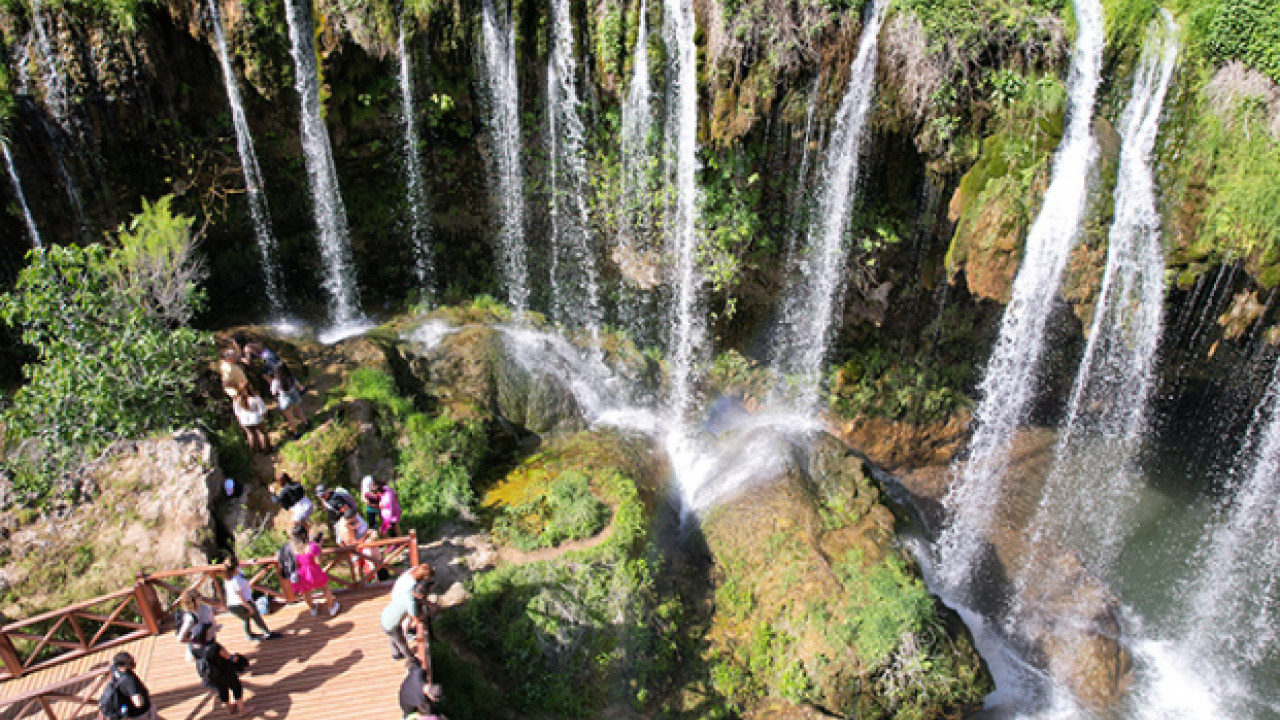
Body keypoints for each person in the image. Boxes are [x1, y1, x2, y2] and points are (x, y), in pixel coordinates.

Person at [189, 625, 250, 716]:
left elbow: (194, 658)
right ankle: (242, 711)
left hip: (212, 674)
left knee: (222, 689)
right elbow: (229, 657)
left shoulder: (193, 647)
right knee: (236, 687)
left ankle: (229, 708)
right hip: (225, 671)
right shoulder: (214, 647)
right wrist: (238, 658)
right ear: (205, 634)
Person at [381, 564, 434, 663]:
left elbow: (417, 599)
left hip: (386, 617)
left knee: (393, 636)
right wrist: (430, 611)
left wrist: (429, 604)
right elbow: (416, 620)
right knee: (402, 643)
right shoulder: (411, 601)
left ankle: (396, 654)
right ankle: (413, 661)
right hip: (391, 624)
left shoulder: (412, 576)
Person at [221, 558, 277, 641]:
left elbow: (241, 565)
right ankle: (267, 633)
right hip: (240, 604)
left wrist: (249, 562)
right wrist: (248, 606)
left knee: (245, 619)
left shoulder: (230, 574)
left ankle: (250, 635)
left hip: (232, 604)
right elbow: (239, 596)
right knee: (255, 616)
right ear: (235, 566)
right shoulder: (235, 580)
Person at [289, 524, 339, 616]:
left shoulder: (292, 549)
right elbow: (318, 561)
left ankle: (313, 608)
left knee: (305, 592)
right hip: (313, 571)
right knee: (325, 587)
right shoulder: (311, 546)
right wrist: (319, 547)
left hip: (301, 574)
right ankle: (332, 607)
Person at [104, 652, 155, 720]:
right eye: (130, 662)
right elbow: (138, 703)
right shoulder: (129, 680)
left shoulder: (115, 669)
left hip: (127, 710)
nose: (133, 662)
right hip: (140, 713)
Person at [175, 590, 217, 661]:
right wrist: (195, 640)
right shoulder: (190, 618)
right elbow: (180, 639)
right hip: (200, 645)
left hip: (209, 641)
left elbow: (212, 623)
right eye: (198, 597)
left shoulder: (205, 608)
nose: (200, 598)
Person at [270, 363, 308, 437]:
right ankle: (306, 423)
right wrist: (302, 390)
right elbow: (300, 387)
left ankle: (296, 433)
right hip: (294, 397)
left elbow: (273, 393)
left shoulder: (276, 381)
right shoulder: (290, 377)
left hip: (284, 400)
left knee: (290, 418)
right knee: (298, 410)